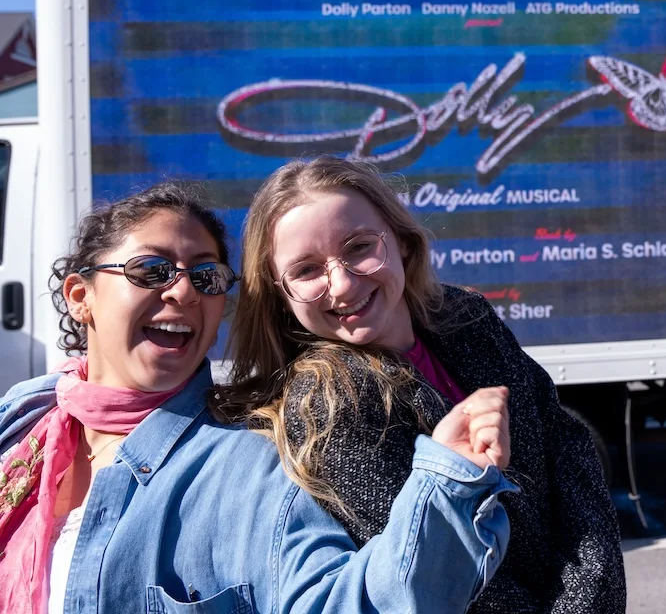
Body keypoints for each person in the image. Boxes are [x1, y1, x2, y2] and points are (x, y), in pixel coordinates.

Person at [0, 181, 516, 614]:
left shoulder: (251, 467)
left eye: (206, 277)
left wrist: (448, 485)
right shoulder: (11, 427)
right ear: (80, 296)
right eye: (152, 270)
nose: (183, 290)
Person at [214, 155, 627, 614]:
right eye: (306, 270)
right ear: (279, 293)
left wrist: (592, 596)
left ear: (403, 243)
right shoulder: (328, 403)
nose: (343, 284)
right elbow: (447, 579)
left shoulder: (466, 317)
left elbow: (569, 450)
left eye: (359, 247)